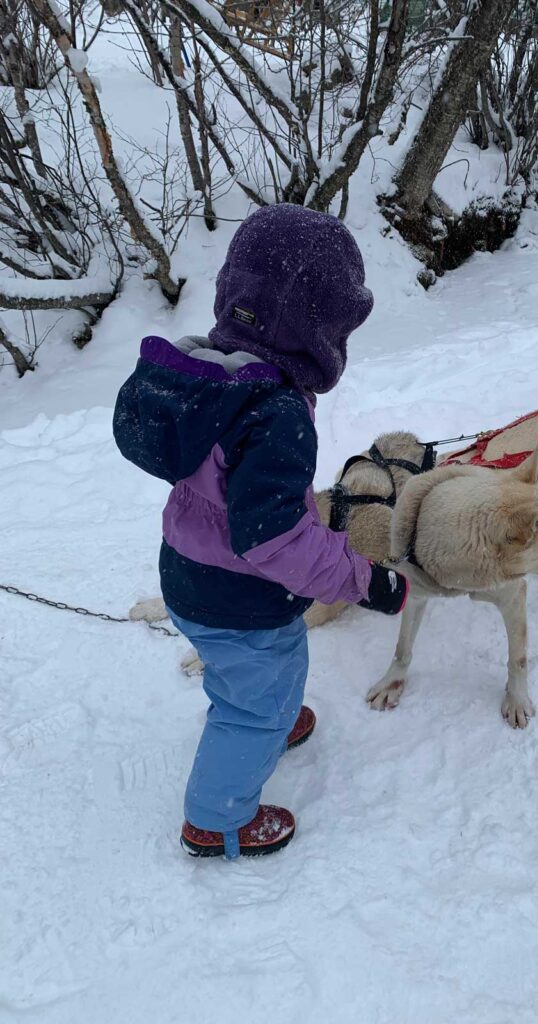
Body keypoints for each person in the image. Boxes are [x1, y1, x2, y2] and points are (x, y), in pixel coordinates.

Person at [113, 205, 408, 860]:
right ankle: (215, 820)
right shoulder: (273, 413)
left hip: (188, 574)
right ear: (319, 325)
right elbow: (274, 541)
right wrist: (363, 577)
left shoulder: (211, 378)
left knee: (252, 670)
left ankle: (267, 718)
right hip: (243, 596)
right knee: (253, 699)